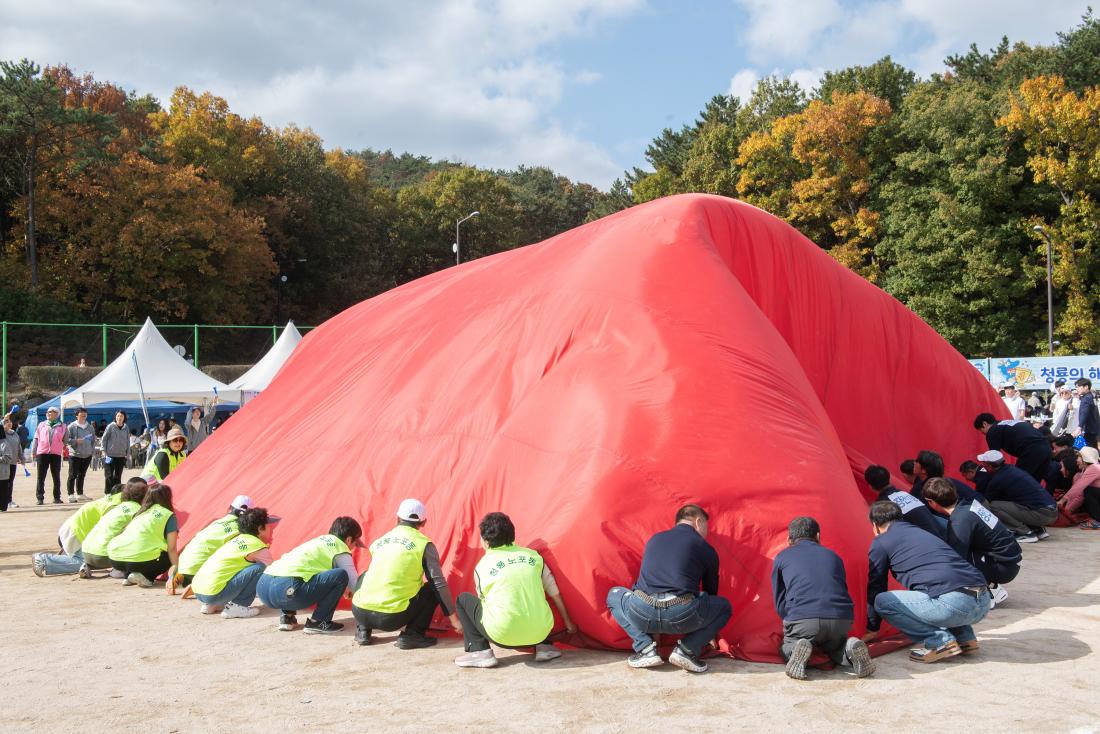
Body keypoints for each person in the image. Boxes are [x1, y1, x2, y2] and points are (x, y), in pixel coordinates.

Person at [606, 504, 731, 673]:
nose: (707, 532)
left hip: (643, 611)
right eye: (707, 526)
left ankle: (645, 648)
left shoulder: (655, 539)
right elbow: (710, 591)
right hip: (681, 616)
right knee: (723, 606)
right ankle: (687, 650)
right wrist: (707, 634)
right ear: (698, 521)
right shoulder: (705, 547)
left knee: (614, 595)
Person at [863, 501, 990, 663]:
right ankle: (965, 639)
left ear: (875, 525)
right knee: (936, 588)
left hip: (955, 606)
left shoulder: (881, 542)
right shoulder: (921, 532)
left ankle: (939, 642)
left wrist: (872, 627)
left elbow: (876, 585)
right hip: (984, 601)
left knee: (882, 601)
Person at [454, 512, 576, 669]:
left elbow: (486, 604)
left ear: (485, 541)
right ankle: (544, 647)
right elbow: (555, 593)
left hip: (503, 636)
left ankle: (480, 652)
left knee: (463, 599)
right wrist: (568, 623)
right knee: (533, 596)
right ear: (512, 535)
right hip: (541, 632)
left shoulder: (482, 566)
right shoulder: (534, 557)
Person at [770, 516, 874, 680]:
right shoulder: (834, 556)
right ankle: (849, 647)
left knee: (785, 647)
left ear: (789, 539)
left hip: (803, 620)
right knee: (833, 649)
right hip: (841, 619)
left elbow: (779, 599)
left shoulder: (782, 557)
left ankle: (796, 646)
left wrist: (791, 619)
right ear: (817, 536)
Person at [351, 498, 461, 649]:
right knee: (431, 588)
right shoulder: (424, 544)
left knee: (365, 575)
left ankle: (362, 630)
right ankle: (413, 635)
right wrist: (454, 620)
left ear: (397, 518)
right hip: (390, 619)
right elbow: (438, 583)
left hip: (359, 612)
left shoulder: (379, 541)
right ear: (424, 523)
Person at [922, 478, 1021, 609]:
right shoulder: (968, 505)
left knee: (953, 558)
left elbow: (955, 559)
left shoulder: (960, 520)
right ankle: (992, 587)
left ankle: (981, 596)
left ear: (932, 502)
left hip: (1004, 567)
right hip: (1009, 561)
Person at [257, 516, 364, 634]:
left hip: (263, 587)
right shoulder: (340, 547)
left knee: (296, 573)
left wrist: (344, 589)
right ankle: (319, 621)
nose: (353, 547)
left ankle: (287, 617)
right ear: (348, 540)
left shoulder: (316, 543)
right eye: (355, 543)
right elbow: (354, 584)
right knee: (341, 575)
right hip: (288, 589)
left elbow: (313, 574)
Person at [191, 507, 280, 618]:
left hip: (199, 591)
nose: (271, 529)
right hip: (214, 593)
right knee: (259, 568)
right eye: (268, 526)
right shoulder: (257, 546)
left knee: (237, 568)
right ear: (260, 528)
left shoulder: (235, 540)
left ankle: (211, 605)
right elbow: (274, 574)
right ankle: (238, 606)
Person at [32, 482, 127, 576]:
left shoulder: (109, 500)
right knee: (90, 561)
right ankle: (44, 560)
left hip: (72, 532)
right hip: (76, 536)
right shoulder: (115, 506)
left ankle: (66, 556)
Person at [174, 494, 254, 589]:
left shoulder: (215, 522)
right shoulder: (242, 530)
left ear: (230, 508)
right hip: (199, 573)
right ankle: (197, 586)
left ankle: (181, 578)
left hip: (183, 566)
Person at [107, 484, 179, 587]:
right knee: (167, 555)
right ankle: (147, 577)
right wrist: (177, 571)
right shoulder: (167, 515)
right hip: (138, 560)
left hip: (115, 559)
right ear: (168, 497)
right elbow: (171, 548)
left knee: (138, 550)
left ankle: (128, 576)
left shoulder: (140, 512)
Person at [977, 450, 1058, 542]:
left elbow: (986, 500)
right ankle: (1037, 529)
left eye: (984, 463)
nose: (982, 466)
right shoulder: (1012, 470)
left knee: (993, 506)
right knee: (1012, 503)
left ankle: (1025, 533)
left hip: (1043, 515)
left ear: (990, 466)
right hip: (1052, 511)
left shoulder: (998, 479)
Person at [79, 478, 148, 576]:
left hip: (86, 552)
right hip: (104, 556)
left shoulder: (116, 507)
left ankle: (88, 566)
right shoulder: (137, 511)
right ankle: (120, 569)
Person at [863, 464, 943, 537]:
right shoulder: (903, 493)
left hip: (929, 543)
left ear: (870, 486)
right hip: (942, 536)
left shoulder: (882, 505)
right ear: (889, 478)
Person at [974, 412, 1052, 482]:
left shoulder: (992, 430)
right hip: (1046, 447)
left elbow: (994, 457)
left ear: (984, 424)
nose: (983, 433)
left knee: (1017, 480)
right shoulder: (1007, 423)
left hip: (1031, 450)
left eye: (981, 430)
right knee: (1034, 483)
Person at [913, 450, 984, 505]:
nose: (914, 462)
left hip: (978, 507)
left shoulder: (935, 488)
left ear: (923, 470)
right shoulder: (925, 484)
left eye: (917, 461)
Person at [31, 406, 66, 505]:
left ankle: (57, 497)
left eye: (52, 412)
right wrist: (33, 451)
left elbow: (66, 440)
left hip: (56, 454)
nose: (49, 413)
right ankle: (40, 498)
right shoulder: (41, 425)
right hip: (42, 453)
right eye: (48, 412)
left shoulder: (62, 426)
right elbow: (36, 438)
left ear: (57, 414)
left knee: (56, 476)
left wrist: (62, 445)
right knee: (40, 477)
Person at [1059, 447, 1100, 528]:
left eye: (1079, 457)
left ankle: (1098, 521)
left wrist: (1062, 502)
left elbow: (1078, 488)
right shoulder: (1085, 471)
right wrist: (1067, 511)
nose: (1076, 460)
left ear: (1085, 459)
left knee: (1089, 491)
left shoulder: (1094, 468)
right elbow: (1079, 495)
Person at [64, 407, 95, 503]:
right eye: (81, 415)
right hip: (75, 455)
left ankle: (80, 493)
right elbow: (65, 440)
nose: (83, 417)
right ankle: (71, 494)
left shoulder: (90, 427)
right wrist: (75, 441)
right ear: (77, 415)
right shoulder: (71, 426)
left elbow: (93, 440)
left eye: (85, 415)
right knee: (72, 475)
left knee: (82, 475)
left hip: (87, 454)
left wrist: (91, 451)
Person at [100, 411, 131, 493]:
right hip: (109, 455)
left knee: (118, 476)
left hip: (121, 456)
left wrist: (127, 453)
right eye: (118, 416)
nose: (119, 418)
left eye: (121, 416)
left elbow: (128, 441)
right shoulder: (110, 426)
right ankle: (107, 493)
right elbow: (104, 439)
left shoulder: (126, 427)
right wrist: (104, 451)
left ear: (124, 418)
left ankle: (116, 493)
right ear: (115, 417)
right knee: (109, 476)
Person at [0, 416, 25, 511]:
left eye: (9, 421)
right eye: (6, 422)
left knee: (10, 482)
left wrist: (22, 458)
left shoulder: (14, 434)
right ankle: (5, 501)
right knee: (4, 483)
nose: (9, 423)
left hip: (13, 461)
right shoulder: (2, 435)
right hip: (4, 463)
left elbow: (19, 447)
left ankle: (9, 501)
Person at [1072, 378, 1099, 450]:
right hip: (1093, 428)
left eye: (1078, 387)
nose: (1076, 389)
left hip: (1089, 429)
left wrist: (1079, 427)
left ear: (1086, 387)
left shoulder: (1086, 398)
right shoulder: (1090, 396)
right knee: (1093, 449)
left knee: (1089, 451)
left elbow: (1084, 413)